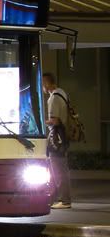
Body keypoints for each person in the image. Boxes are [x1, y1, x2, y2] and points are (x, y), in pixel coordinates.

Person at [42, 72, 71, 209]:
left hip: (57, 138)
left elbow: (55, 121)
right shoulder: (62, 93)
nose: (42, 87)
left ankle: (65, 201)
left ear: (46, 84)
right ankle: (54, 198)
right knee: (58, 169)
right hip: (64, 136)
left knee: (58, 170)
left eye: (42, 84)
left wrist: (41, 122)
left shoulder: (53, 98)